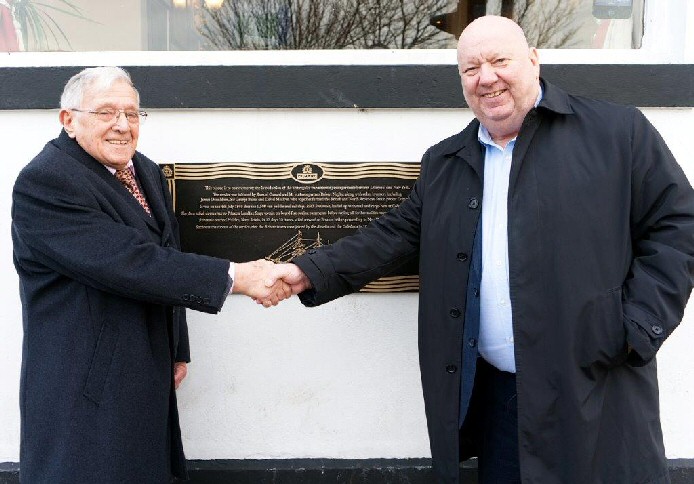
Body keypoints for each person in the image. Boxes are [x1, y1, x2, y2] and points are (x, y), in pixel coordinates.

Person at [266, 15, 694, 484]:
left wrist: (635, 326)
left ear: (533, 61)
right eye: (470, 69)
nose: (486, 77)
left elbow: (678, 224)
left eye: (499, 60)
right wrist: (306, 272)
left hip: (594, 392)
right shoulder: (446, 162)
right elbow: (393, 236)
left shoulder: (618, 133)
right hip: (498, 402)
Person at [11, 66, 290, 483]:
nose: (123, 126)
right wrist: (238, 276)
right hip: (85, 388)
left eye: (133, 114)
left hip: (145, 369)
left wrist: (177, 347)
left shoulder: (145, 170)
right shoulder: (45, 182)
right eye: (106, 112)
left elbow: (167, 253)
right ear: (68, 120)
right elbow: (130, 261)